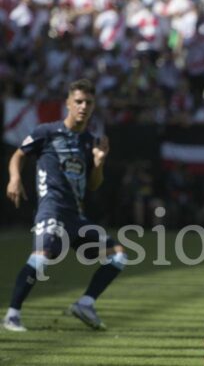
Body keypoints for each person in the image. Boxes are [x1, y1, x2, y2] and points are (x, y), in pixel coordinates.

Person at [3, 79, 126, 332]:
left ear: (93, 107)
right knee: (42, 256)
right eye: (78, 101)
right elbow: (19, 155)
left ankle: (85, 303)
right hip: (52, 210)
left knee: (118, 255)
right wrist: (15, 178)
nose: (83, 106)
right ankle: (12, 314)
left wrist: (100, 163)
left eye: (88, 103)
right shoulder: (46, 132)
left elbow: (93, 185)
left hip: (76, 217)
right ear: (68, 103)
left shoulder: (91, 142)